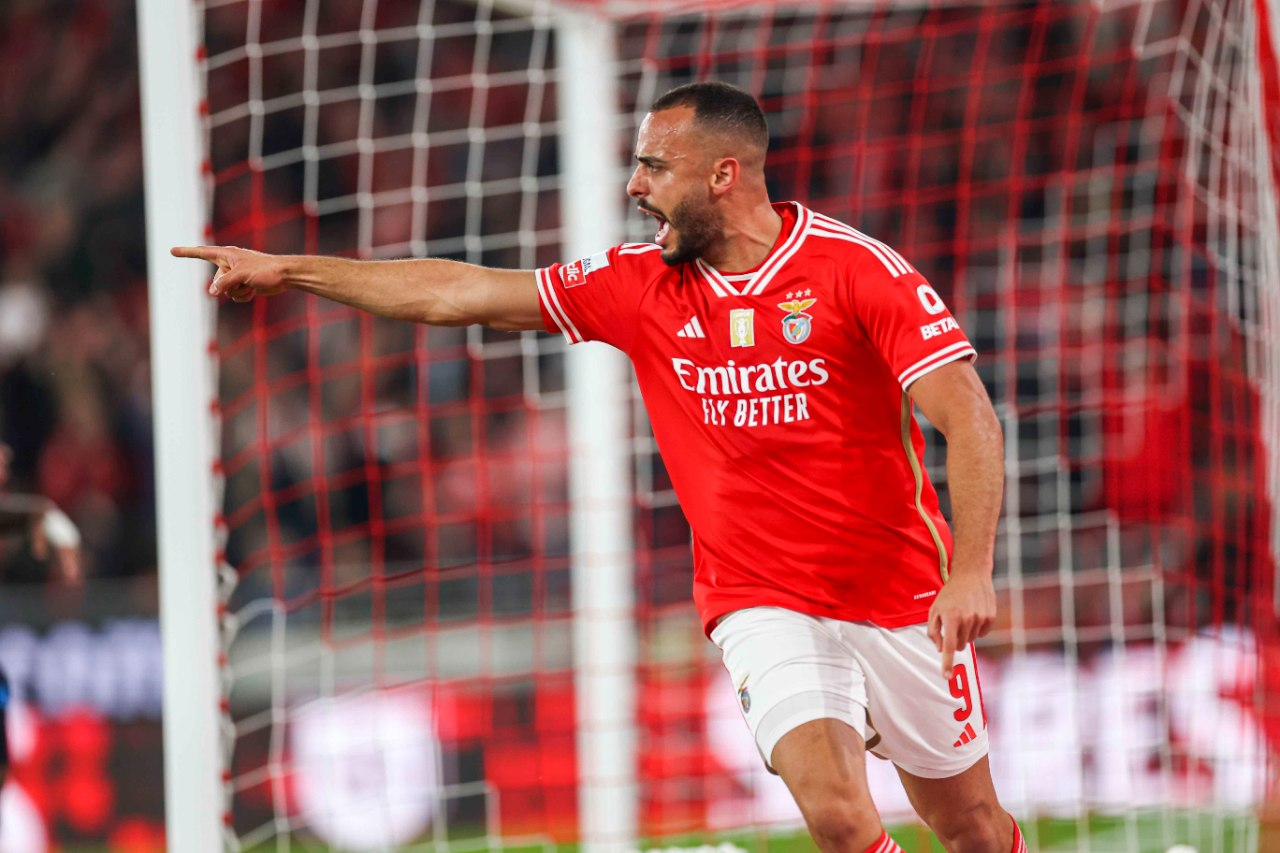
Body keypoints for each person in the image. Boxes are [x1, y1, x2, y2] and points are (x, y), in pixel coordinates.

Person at [174, 81, 1021, 853]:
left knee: (973, 828)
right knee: (837, 817)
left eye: (655, 166)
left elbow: (969, 418)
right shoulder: (637, 283)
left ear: (723, 174)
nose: (634, 186)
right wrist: (292, 271)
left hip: (901, 592)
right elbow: (457, 293)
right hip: (761, 598)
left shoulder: (857, 270)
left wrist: (971, 570)